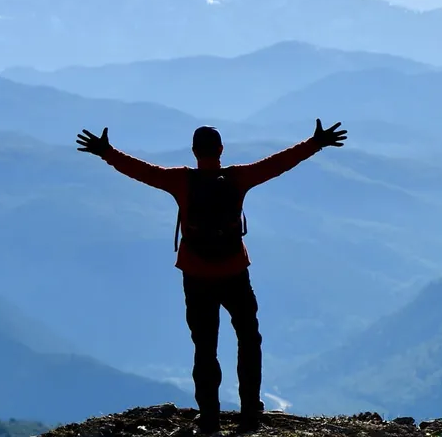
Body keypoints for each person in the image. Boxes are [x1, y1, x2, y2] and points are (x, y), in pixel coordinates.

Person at [76, 119, 348, 434]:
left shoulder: (180, 181)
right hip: (234, 271)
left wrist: (105, 152)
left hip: (196, 274)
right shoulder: (238, 178)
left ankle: (209, 421)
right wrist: (315, 143)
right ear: (221, 150)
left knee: (205, 347)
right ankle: (249, 416)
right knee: (249, 340)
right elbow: (278, 164)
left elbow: (142, 171)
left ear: (193, 151)